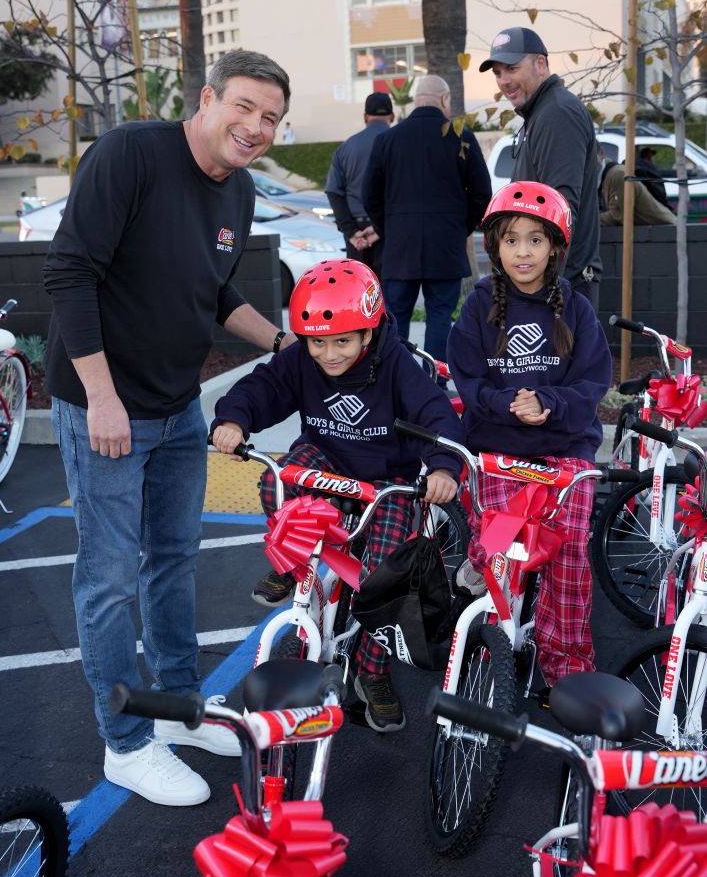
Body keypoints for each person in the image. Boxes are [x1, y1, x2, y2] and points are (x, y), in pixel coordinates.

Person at [43, 49, 296, 808]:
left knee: (173, 562)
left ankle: (179, 708)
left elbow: (216, 293)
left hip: (176, 405)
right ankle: (125, 742)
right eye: (244, 108)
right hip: (104, 404)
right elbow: (69, 273)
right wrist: (101, 395)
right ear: (208, 97)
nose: (255, 127)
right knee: (111, 574)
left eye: (271, 118)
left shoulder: (238, 190)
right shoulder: (131, 154)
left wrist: (292, 343)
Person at [211, 259, 463, 732]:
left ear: (370, 333)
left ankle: (372, 673)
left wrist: (443, 466)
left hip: (387, 478)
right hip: (326, 457)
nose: (328, 354)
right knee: (277, 479)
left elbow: (436, 414)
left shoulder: (396, 366)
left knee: (385, 577)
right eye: (317, 342)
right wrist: (233, 419)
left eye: (342, 341)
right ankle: (294, 564)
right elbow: (263, 386)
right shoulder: (301, 359)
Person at [447, 181, 611, 689]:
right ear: (495, 246)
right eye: (512, 239)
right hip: (498, 449)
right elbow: (467, 377)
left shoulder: (577, 308)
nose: (523, 251)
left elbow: (593, 380)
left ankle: (565, 667)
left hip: (564, 451)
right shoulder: (478, 308)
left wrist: (549, 404)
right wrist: (507, 405)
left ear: (555, 248)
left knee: (567, 560)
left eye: (536, 240)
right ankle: (486, 576)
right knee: (498, 549)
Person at [362, 74, 491, 372]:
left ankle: (395, 381)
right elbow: (482, 194)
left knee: (395, 319)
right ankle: (434, 381)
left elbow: (370, 196)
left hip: (400, 248)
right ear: (444, 99)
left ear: (417, 99)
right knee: (440, 317)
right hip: (445, 246)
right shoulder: (462, 137)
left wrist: (388, 228)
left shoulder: (387, 139)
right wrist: (461, 226)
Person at [479, 27, 602, 311]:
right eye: (497, 73)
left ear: (541, 64)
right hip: (547, 284)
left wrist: (539, 289)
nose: (504, 80)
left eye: (511, 68)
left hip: (557, 288)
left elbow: (560, 212)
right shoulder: (542, 112)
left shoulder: (557, 113)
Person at [324, 91, 395, 276]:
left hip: (357, 236)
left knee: (360, 294)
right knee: (390, 298)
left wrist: (352, 232)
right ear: (392, 116)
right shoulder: (399, 145)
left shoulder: (345, 148)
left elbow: (334, 192)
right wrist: (381, 228)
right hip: (391, 232)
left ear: (365, 117)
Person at [598, 146, 677, 226]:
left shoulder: (617, 175)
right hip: (651, 231)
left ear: (601, 153)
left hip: (664, 231)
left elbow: (617, 216)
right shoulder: (602, 174)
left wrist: (588, 219)